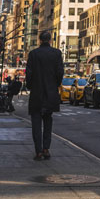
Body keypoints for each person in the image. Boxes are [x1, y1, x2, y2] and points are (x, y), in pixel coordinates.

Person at [25, 30, 63, 160]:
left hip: (36, 93)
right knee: (48, 120)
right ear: (51, 40)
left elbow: (28, 74)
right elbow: (60, 73)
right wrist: (55, 85)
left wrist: (30, 86)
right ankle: (46, 148)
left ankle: (38, 151)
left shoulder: (33, 54)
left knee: (36, 122)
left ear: (40, 40)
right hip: (51, 93)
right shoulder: (57, 53)